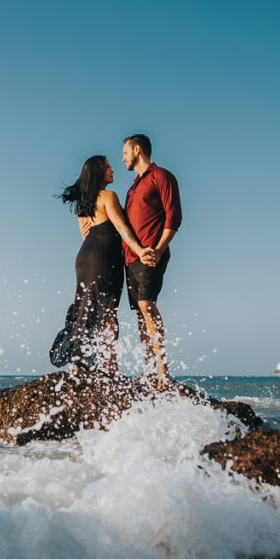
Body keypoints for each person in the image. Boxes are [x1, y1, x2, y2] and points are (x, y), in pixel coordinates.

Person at [51, 155, 151, 374]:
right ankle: (110, 365)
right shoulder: (108, 196)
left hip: (85, 257)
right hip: (105, 258)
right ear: (98, 172)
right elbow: (122, 227)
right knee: (107, 311)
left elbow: (85, 235)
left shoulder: (83, 202)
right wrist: (140, 250)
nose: (112, 170)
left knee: (85, 309)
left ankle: (79, 364)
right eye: (108, 167)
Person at [121, 134, 182, 387]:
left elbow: (174, 217)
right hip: (130, 258)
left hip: (151, 255)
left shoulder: (162, 176)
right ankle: (148, 370)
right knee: (139, 313)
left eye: (125, 152)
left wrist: (157, 249)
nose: (123, 157)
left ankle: (163, 371)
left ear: (137, 149)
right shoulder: (133, 187)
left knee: (147, 304)